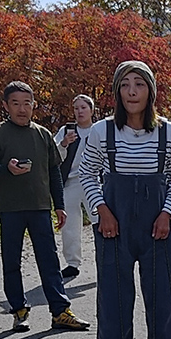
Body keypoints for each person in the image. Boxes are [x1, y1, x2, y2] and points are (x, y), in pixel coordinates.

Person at [79, 61, 171, 339]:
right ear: (116, 92)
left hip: (159, 227)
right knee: (113, 300)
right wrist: (101, 211)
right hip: (114, 226)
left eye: (139, 84)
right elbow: (87, 174)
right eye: (124, 85)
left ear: (150, 91)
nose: (132, 92)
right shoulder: (102, 131)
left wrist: (166, 213)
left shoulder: (168, 132)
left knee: (163, 302)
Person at [0, 81, 90, 333]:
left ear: (34, 105)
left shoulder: (42, 134)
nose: (22, 109)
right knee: (12, 261)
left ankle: (60, 311)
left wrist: (59, 205)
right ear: (6, 105)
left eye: (27, 103)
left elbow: (54, 171)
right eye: (16, 103)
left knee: (49, 261)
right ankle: (19, 310)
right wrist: (6, 169)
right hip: (10, 208)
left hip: (40, 207)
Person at [53, 94, 99, 279]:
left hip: (94, 182)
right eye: (76, 108)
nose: (79, 112)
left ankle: (106, 259)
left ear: (91, 110)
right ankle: (72, 263)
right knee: (69, 224)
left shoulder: (99, 130)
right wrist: (64, 143)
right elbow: (54, 155)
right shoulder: (67, 130)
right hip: (71, 181)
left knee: (100, 220)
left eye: (83, 108)